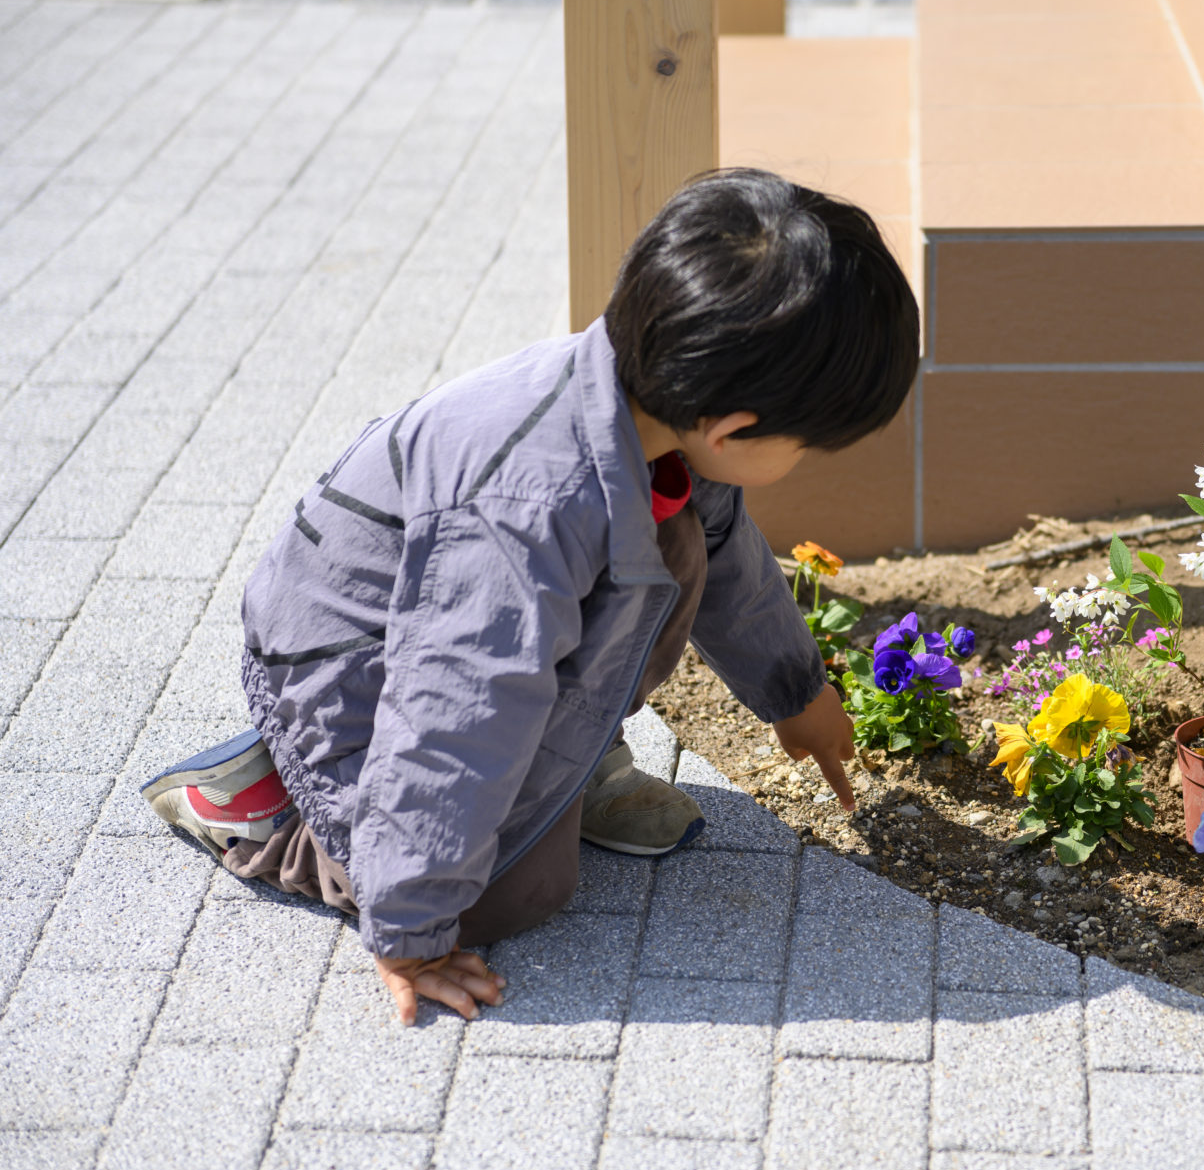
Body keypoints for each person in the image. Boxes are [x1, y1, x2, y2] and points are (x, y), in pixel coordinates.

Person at [140, 169, 919, 1025]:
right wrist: (411, 929)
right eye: (806, 448)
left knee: (683, 550)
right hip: (351, 663)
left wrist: (795, 695)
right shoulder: (525, 508)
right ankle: (267, 812)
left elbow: (731, 567)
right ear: (733, 429)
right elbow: (458, 708)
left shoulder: (648, 404)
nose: (802, 464)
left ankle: (564, 774)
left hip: (451, 632)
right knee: (512, 898)